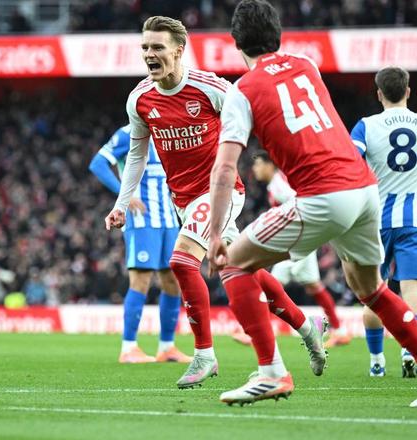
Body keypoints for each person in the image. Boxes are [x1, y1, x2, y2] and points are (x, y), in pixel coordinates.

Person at [207, 0, 417, 407]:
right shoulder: (307, 65)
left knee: (232, 262)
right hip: (365, 190)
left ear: (236, 43)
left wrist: (216, 232)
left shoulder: (242, 91)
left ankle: (271, 372)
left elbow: (224, 168)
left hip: (324, 194)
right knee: (371, 289)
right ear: (278, 36)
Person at [105, 15, 326, 388]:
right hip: (182, 200)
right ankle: (307, 326)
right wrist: (121, 203)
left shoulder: (210, 88)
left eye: (157, 47)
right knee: (243, 268)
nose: (149, 54)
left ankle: (204, 354)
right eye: (145, 47)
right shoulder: (140, 99)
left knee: (181, 261)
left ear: (179, 50)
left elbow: (256, 118)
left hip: (220, 193)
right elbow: (137, 156)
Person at [350, 66, 417, 378]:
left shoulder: (365, 126)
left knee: (374, 294)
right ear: (408, 91)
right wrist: (414, 181)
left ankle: (377, 361)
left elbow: (351, 165)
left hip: (373, 222)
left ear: (379, 94)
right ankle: (410, 350)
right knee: (412, 293)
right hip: (412, 220)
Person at [89, 124, 191, 364]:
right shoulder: (128, 133)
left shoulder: (168, 131)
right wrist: (124, 195)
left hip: (169, 219)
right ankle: (128, 347)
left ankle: (167, 347)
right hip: (142, 220)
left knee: (173, 280)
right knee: (141, 279)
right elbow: (98, 164)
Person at [237, 152, 350, 348]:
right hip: (296, 241)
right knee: (306, 286)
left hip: (297, 242)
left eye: (259, 165)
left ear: (270, 165)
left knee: (273, 286)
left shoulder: (279, 185)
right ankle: (338, 331)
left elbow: (299, 205)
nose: (255, 169)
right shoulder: (275, 183)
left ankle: (254, 332)